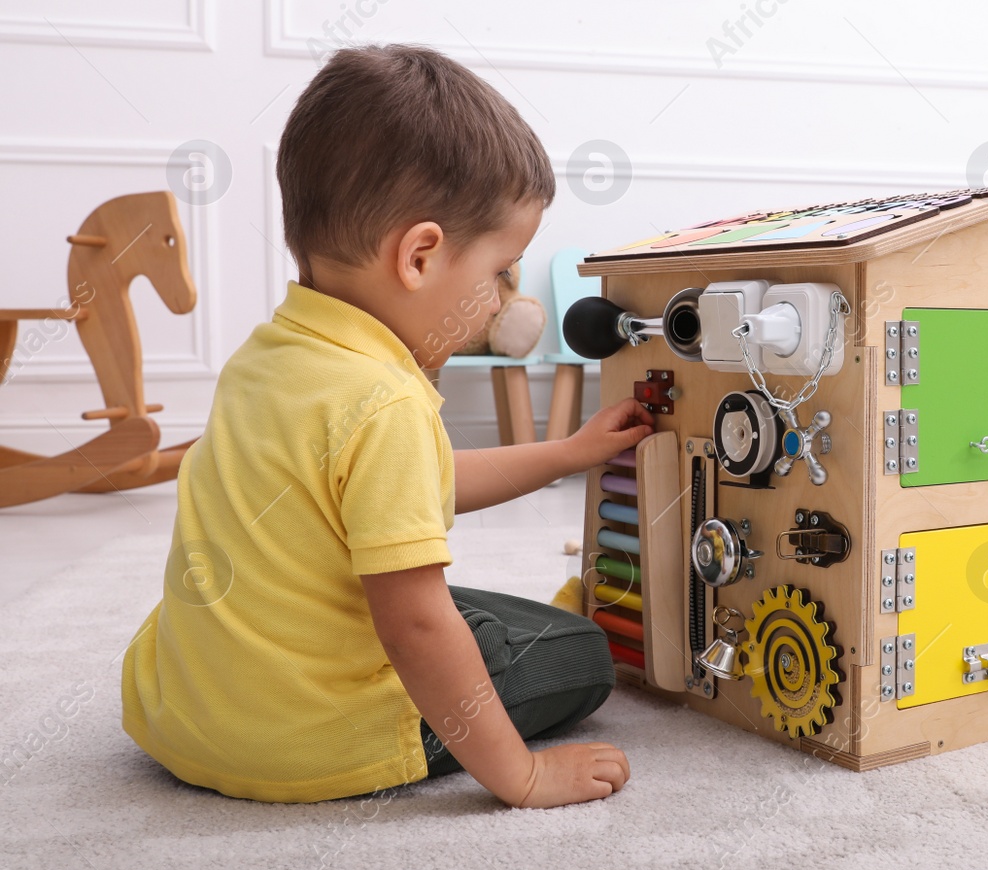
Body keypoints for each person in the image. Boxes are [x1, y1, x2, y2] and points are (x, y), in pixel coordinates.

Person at [122, 44, 655, 805]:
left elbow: (409, 489)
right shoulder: (386, 402)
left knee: (453, 601)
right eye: (501, 269)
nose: (504, 297)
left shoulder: (265, 356)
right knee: (577, 651)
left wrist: (569, 451)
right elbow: (415, 629)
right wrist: (524, 774)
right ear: (420, 256)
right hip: (313, 740)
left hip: (184, 717)